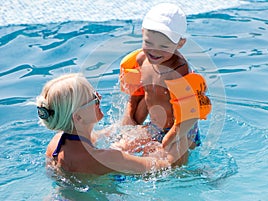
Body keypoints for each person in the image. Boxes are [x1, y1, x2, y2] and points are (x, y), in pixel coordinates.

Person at [120, 3, 211, 158]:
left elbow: (189, 117)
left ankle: (204, 173)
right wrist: (130, 129)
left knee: (168, 166)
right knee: (119, 148)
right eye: (148, 43)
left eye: (163, 46)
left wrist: (166, 143)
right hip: (155, 127)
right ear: (142, 33)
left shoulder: (178, 72)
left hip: (181, 132)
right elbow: (142, 96)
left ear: (180, 43)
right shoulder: (142, 60)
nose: (154, 51)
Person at [36, 73, 173, 175]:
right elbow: (167, 166)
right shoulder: (105, 158)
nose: (99, 98)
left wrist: (136, 98)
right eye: (94, 98)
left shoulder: (57, 142)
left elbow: (114, 133)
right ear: (78, 117)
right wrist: (183, 122)